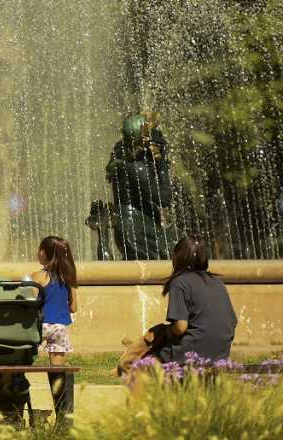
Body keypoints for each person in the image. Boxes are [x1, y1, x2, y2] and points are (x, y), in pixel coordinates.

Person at [158, 234, 237, 363]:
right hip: (221, 354)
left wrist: (166, 332)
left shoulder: (179, 282)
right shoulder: (217, 281)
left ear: (179, 258)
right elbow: (233, 321)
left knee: (149, 357)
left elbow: (180, 327)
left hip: (192, 353)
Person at [106, 113, 174, 260]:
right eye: (147, 135)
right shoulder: (137, 169)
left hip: (131, 228)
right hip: (138, 234)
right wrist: (162, 164)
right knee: (179, 248)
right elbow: (165, 199)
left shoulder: (121, 157)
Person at [29, 236, 79, 366]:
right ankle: (59, 385)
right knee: (58, 368)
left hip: (41, 325)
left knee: (24, 354)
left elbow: (30, 303)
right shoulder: (68, 277)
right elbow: (73, 308)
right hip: (59, 327)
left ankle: (18, 381)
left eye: (40, 249)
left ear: (44, 253)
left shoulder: (38, 276)